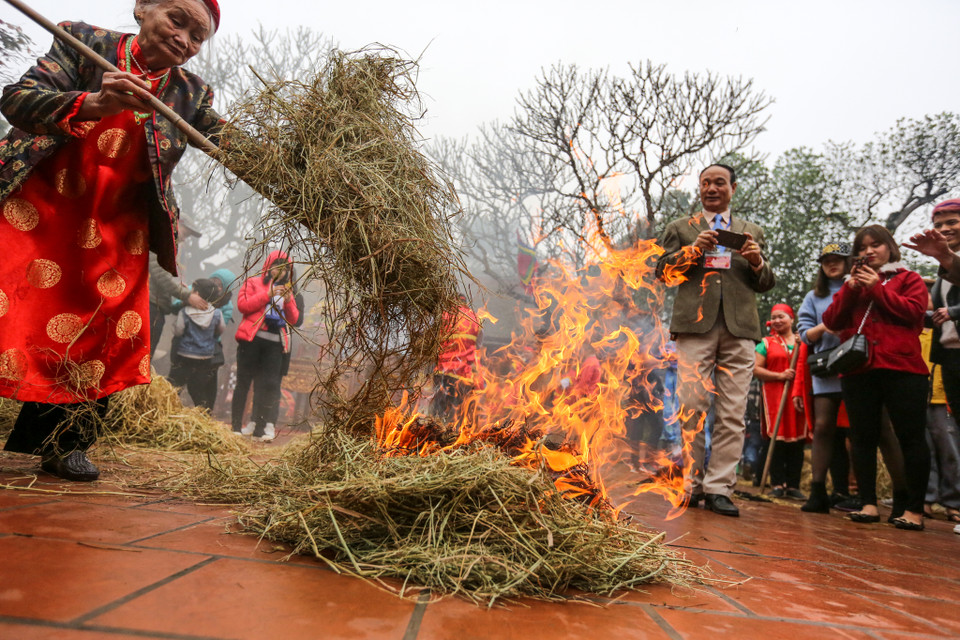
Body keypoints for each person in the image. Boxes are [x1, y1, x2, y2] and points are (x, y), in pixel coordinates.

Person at [0, 0, 223, 481]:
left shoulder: (190, 93)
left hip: (118, 229)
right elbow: (17, 99)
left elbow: (235, 146)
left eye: (197, 36)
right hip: (40, 210)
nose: (184, 38)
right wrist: (96, 103)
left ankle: (65, 444)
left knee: (103, 334)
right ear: (143, 8)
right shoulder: (84, 44)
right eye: (176, 19)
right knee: (10, 311)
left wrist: (298, 171)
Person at [656, 163, 776, 517]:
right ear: (700, 188)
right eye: (705, 182)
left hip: (741, 333)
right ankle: (691, 483)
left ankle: (720, 488)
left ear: (733, 188)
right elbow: (663, 274)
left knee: (733, 413)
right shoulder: (680, 228)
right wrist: (692, 251)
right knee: (692, 405)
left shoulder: (751, 231)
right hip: (695, 329)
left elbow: (766, 282)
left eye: (719, 182)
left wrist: (756, 262)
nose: (711, 188)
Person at [822, 224, 930, 530]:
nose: (869, 251)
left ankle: (914, 509)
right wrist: (851, 289)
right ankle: (868, 503)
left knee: (911, 437)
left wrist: (877, 289)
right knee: (862, 437)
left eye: (876, 245)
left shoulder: (909, 279)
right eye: (863, 248)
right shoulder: (851, 284)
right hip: (858, 369)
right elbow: (831, 321)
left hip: (903, 369)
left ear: (890, 248)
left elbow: (913, 314)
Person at [797, 242, 856, 512]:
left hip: (857, 363)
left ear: (849, 261)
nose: (832, 264)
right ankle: (818, 490)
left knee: (859, 430)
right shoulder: (813, 297)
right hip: (826, 367)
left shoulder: (858, 287)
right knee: (822, 428)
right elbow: (804, 334)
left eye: (838, 259)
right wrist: (827, 325)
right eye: (826, 260)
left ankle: (859, 493)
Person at [231, 250, 300, 442]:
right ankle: (236, 425)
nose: (281, 272)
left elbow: (294, 319)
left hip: (274, 345)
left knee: (267, 386)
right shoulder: (252, 283)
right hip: (251, 341)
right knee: (243, 382)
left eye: (286, 269)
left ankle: (260, 430)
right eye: (277, 267)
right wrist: (267, 294)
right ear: (268, 267)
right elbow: (243, 306)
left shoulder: (288, 289)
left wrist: (288, 301)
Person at [753, 304, 809, 500]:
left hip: (797, 396)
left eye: (781, 317)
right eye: (774, 317)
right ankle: (777, 483)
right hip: (774, 396)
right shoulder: (765, 343)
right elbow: (755, 369)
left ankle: (793, 485)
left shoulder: (803, 342)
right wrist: (779, 375)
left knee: (797, 441)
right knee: (777, 439)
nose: (777, 320)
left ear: (791, 319)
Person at [168, 278, 225, 410]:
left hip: (184, 356)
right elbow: (220, 330)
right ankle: (203, 414)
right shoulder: (217, 313)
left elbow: (178, 331)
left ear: (197, 294)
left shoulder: (185, 312)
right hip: (205, 358)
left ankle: (168, 411)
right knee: (198, 390)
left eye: (192, 290)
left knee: (174, 387)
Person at [431, 296, 482, 423]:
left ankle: (433, 433)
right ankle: (456, 435)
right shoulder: (475, 318)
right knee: (459, 410)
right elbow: (478, 347)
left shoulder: (443, 315)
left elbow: (432, 341)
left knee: (438, 408)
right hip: (463, 373)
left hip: (443, 370)